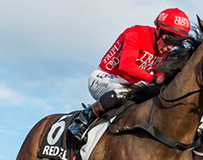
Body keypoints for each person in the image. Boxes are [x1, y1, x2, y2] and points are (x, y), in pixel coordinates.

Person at [68, 8, 191, 140]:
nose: (169, 48)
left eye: (175, 44)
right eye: (168, 40)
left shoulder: (164, 50)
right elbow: (126, 65)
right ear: (158, 30)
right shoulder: (136, 33)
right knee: (126, 92)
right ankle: (83, 120)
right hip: (102, 78)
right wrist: (154, 79)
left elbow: (160, 76)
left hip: (127, 84)